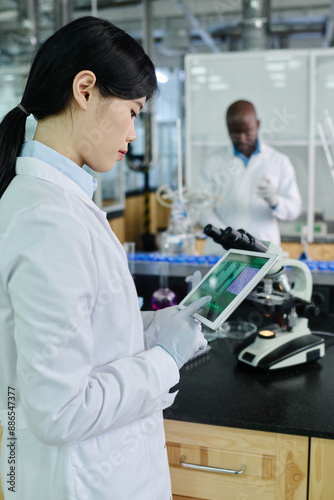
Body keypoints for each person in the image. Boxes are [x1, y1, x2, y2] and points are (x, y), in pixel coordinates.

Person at [0, 17, 210, 500]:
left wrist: (149, 327)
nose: (134, 134)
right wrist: (164, 359)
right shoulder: (47, 220)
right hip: (84, 482)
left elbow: (76, 331)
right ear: (86, 89)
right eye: (134, 111)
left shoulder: (59, 203)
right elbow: (60, 409)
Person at [199, 99, 302, 251]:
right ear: (227, 129)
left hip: (264, 251)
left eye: (247, 132)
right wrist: (228, 237)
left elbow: (294, 209)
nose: (242, 139)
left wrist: (275, 201)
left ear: (258, 125)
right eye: (235, 133)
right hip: (221, 252)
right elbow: (203, 209)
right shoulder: (213, 162)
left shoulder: (279, 162)